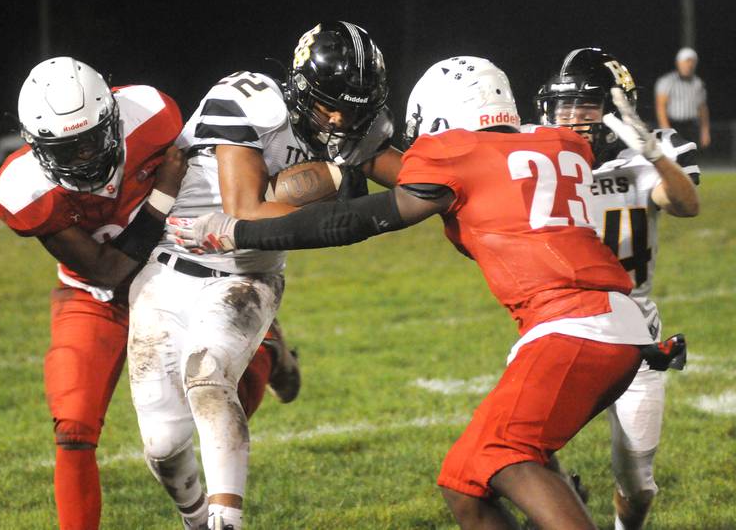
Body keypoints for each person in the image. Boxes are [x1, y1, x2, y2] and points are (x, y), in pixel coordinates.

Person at [169, 56, 678, 529]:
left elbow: (355, 220)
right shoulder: (556, 144)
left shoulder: (458, 152)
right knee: (463, 483)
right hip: (614, 324)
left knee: (505, 456)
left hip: (572, 328)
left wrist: (241, 231)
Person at [0, 57, 287, 530]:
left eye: (90, 141)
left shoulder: (150, 115)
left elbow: (206, 185)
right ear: (36, 146)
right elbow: (105, 270)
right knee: (74, 427)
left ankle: (266, 344)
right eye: (66, 149)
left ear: (112, 118)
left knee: (218, 401)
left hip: (176, 276)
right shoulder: (23, 189)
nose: (85, 158)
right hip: (94, 296)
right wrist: (161, 196)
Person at [127, 21, 401, 530]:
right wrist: (350, 190)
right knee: (163, 446)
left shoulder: (357, 120)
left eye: (353, 108)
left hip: (247, 275)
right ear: (300, 88)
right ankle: (195, 517)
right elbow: (245, 213)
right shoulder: (250, 100)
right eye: (328, 106)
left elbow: (416, 180)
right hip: (169, 269)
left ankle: (225, 522)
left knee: (207, 378)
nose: (341, 118)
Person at [536, 47, 699, 530]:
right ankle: (563, 499)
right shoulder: (539, 155)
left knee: (639, 486)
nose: (569, 120)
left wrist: (649, 151)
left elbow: (685, 204)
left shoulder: (653, 153)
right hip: (560, 328)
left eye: (584, 107)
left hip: (635, 339)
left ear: (615, 109)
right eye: (562, 107)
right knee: (520, 448)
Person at [655, 47, 710, 149]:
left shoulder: (698, 83)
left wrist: (705, 131)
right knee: (674, 157)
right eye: (686, 61)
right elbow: (661, 107)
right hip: (673, 125)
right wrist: (667, 130)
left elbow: (702, 108)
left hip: (691, 126)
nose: (689, 65)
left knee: (691, 158)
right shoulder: (667, 81)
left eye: (692, 62)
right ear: (678, 63)